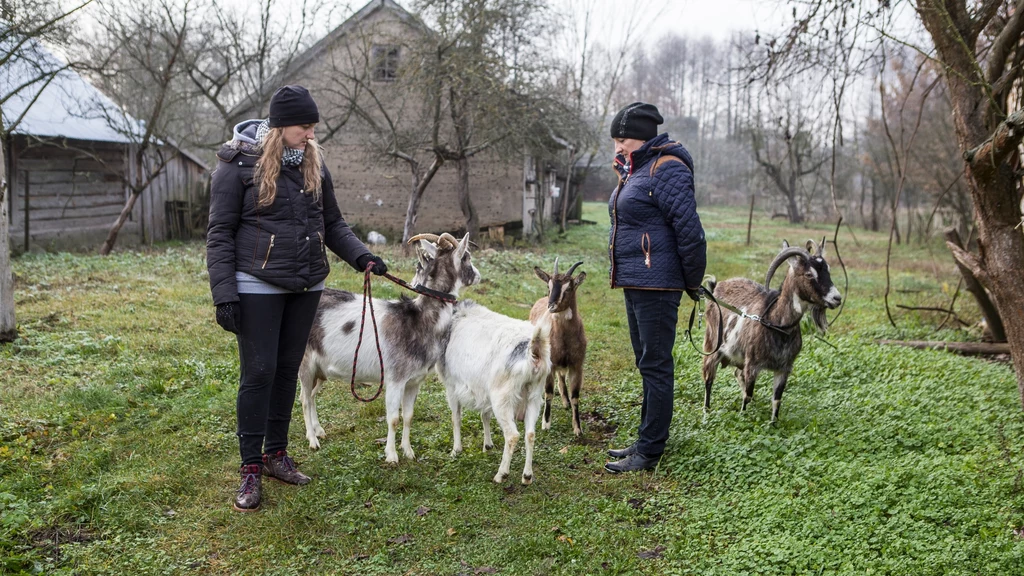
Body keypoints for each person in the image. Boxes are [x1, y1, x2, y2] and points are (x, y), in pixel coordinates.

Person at [206, 85, 388, 511]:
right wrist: (224, 294)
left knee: (288, 370)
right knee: (260, 372)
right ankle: (250, 468)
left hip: (307, 285)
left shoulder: (314, 165)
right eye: (304, 126)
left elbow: (333, 222)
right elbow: (218, 234)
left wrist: (362, 256)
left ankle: (276, 454)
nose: (310, 134)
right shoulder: (237, 166)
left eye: (312, 127)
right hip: (256, 283)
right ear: (280, 125)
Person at [604, 102, 706, 474]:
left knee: (657, 364)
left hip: (658, 285)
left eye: (623, 139)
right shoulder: (638, 169)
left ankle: (650, 451)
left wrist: (692, 281)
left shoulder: (667, 168)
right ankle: (646, 438)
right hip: (637, 281)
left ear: (644, 138)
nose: (617, 146)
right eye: (614, 139)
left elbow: (690, 231)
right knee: (646, 363)